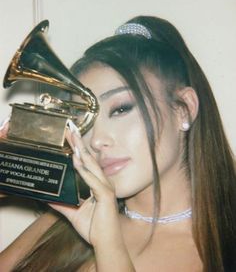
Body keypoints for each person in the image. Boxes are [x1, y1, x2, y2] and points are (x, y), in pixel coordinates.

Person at [0, 15, 235, 271]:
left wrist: (107, 243)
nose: (97, 140)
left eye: (121, 109)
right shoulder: (66, 220)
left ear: (184, 110)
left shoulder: (223, 249)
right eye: (84, 119)